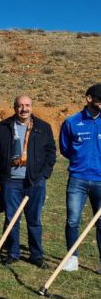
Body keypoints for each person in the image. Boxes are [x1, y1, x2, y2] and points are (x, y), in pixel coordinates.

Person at [0, 95, 56, 268]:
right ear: (14, 107)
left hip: (35, 182)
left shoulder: (43, 127)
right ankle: (13, 253)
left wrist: (45, 174)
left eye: (27, 105)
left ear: (32, 107)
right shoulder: (3, 126)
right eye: (20, 105)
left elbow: (51, 152)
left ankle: (36, 255)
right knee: (12, 219)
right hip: (11, 181)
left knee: (34, 219)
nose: (24, 109)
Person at [59, 84, 101, 273]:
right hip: (78, 179)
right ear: (89, 99)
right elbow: (65, 149)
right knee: (72, 220)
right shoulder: (72, 122)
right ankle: (72, 258)